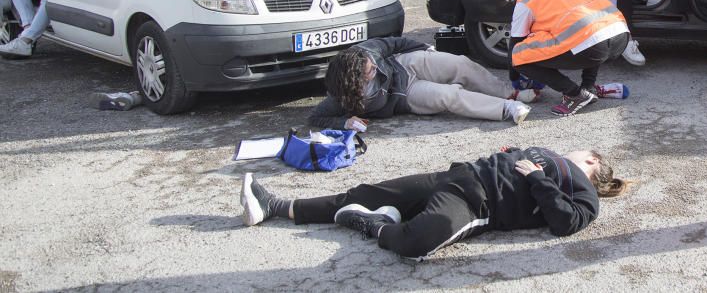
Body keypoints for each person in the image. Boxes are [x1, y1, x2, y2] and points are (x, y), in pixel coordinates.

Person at [239, 146, 626, 260]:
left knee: (417, 241)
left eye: (582, 151)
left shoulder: (586, 194)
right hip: (457, 175)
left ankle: (374, 225)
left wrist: (538, 179)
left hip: (478, 204)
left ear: (592, 160)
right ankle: (274, 206)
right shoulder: (547, 151)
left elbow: (565, 222)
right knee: (368, 192)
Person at [308, 36, 536, 129]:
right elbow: (316, 117)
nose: (374, 67)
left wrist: (425, 48)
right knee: (449, 96)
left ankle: (509, 93)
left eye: (372, 63)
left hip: (405, 64)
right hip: (405, 94)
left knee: (460, 63)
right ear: (354, 82)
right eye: (370, 71)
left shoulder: (365, 53)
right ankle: (507, 109)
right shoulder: (339, 97)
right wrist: (345, 122)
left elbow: (396, 43)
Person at [501, 0, 629, 117]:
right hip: (620, 35)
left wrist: (516, 79)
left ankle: (575, 94)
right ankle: (588, 86)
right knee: (588, 29)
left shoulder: (526, 0)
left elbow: (515, 48)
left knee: (519, 56)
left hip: (595, 46)